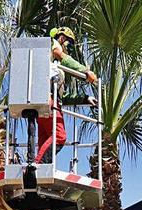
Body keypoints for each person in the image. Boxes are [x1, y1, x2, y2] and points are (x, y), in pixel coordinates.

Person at [36, 26, 97, 164]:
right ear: (62, 38)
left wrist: (85, 98)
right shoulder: (53, 43)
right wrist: (85, 71)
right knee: (59, 136)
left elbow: (63, 96)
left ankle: (39, 174)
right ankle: (37, 167)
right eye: (68, 44)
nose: (68, 49)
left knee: (46, 139)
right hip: (48, 99)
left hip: (43, 100)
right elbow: (60, 54)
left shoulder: (52, 66)